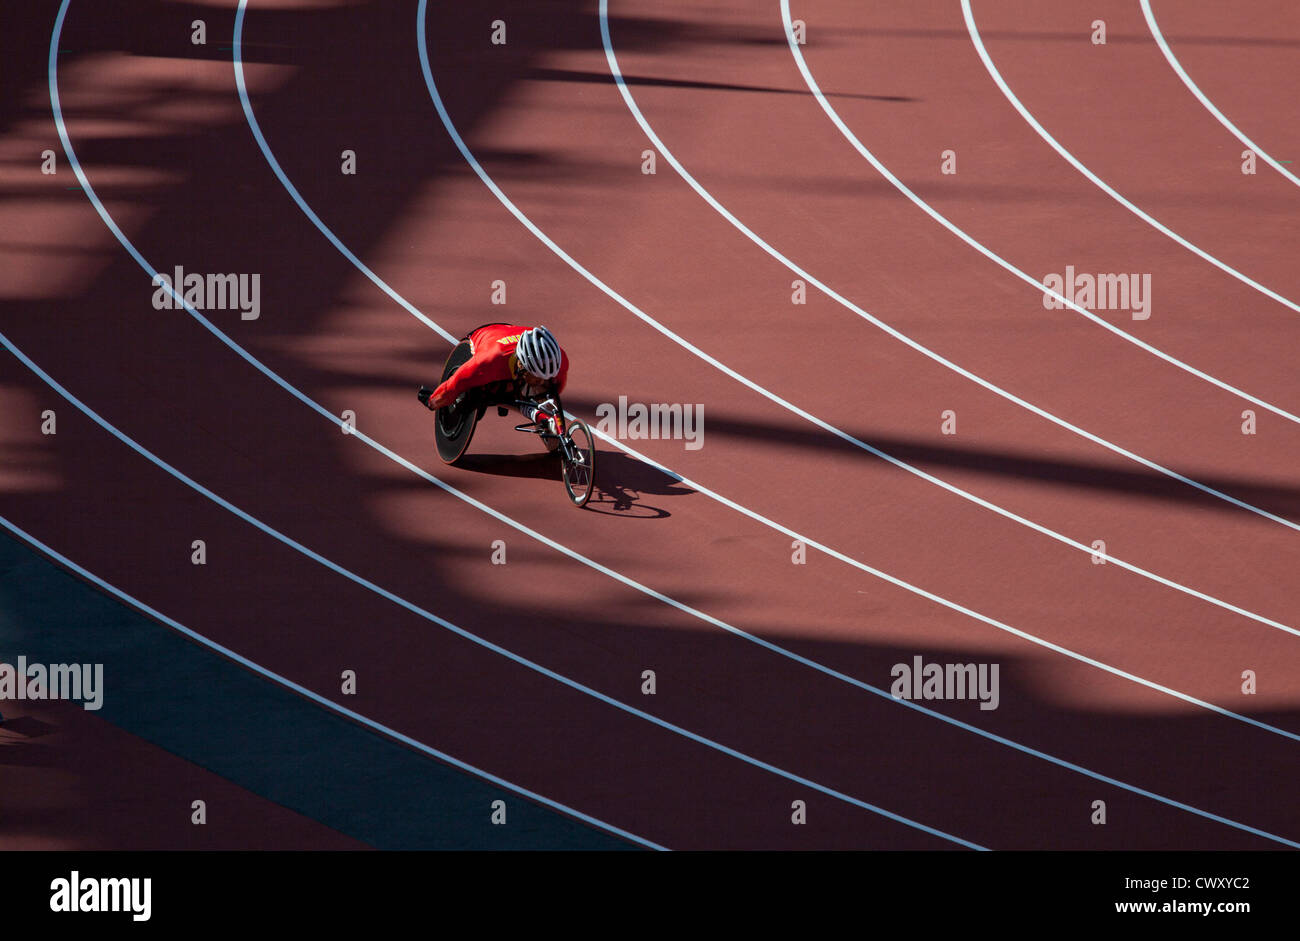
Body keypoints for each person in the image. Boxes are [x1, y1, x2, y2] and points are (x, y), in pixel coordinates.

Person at [417, 323, 568, 433]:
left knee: (541, 392)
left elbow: (555, 392)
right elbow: (453, 386)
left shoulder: (558, 360)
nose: (540, 381)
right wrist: (433, 402)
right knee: (482, 393)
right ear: (521, 365)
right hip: (485, 335)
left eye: (545, 377)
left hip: (513, 336)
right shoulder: (487, 363)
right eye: (536, 377)